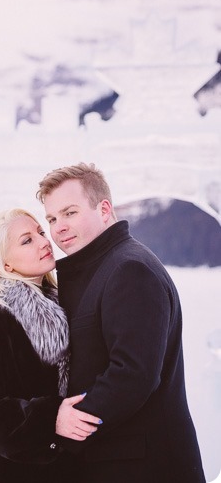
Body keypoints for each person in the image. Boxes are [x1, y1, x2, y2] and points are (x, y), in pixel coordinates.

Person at [37, 162, 206, 483]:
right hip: (115, 460)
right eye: (52, 218)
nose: (58, 227)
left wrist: (65, 426)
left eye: (70, 212)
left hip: (144, 466)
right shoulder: (100, 268)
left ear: (104, 209)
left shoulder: (129, 269)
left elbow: (133, 374)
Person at [0, 208, 102, 483]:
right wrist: (50, 419)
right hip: (15, 472)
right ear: (5, 264)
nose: (43, 241)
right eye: (27, 241)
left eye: (39, 232)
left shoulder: (65, 304)